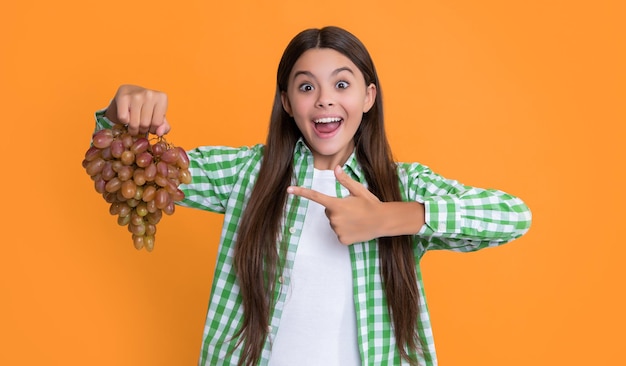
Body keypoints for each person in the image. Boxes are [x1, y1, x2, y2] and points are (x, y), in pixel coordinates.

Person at [92, 26, 531, 366]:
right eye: (306, 87)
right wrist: (119, 115)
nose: (324, 100)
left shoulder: (403, 185)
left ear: (368, 97)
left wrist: (391, 218)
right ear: (286, 102)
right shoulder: (249, 174)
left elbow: (513, 216)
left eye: (342, 85)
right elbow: (124, 168)